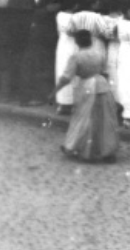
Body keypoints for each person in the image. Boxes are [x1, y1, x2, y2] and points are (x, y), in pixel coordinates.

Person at [51, 30, 119, 162]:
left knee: (84, 117)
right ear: (91, 40)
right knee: (105, 119)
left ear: (77, 41)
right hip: (102, 86)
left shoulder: (76, 57)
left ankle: (83, 149)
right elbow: (104, 71)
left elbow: (66, 78)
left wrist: (54, 91)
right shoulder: (99, 54)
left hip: (86, 86)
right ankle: (107, 151)